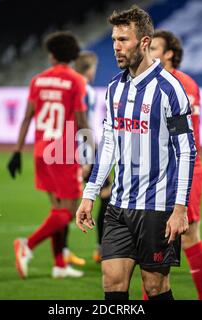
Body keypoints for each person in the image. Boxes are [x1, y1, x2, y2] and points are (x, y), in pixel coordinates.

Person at [75, 6, 196, 300]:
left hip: (157, 207)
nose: (116, 47)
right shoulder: (114, 88)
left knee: (155, 286)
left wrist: (180, 209)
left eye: (123, 40)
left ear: (144, 42)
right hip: (118, 205)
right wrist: (90, 193)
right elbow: (108, 144)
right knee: (112, 282)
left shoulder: (170, 89)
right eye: (114, 39)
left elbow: (186, 151)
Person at [7, 31, 91, 278]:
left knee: (56, 209)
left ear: (53, 55)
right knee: (68, 210)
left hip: (41, 150)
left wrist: (16, 152)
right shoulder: (76, 81)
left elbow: (26, 117)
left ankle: (59, 265)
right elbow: (81, 119)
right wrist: (94, 153)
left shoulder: (38, 80)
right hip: (63, 151)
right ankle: (27, 245)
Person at [149, 30, 202, 300]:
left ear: (169, 54)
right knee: (152, 240)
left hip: (184, 169)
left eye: (154, 48)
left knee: (188, 236)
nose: (148, 53)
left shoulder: (179, 84)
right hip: (158, 172)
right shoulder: (164, 81)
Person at [74, 51, 112, 263]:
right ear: (90, 69)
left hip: (71, 150)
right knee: (106, 194)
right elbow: (82, 124)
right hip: (85, 151)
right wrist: (88, 158)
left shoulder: (72, 88)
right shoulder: (86, 90)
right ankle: (101, 249)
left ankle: (61, 254)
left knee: (66, 204)